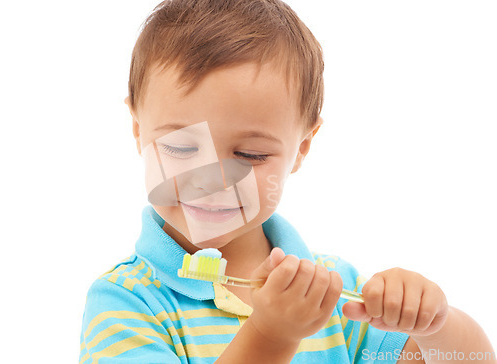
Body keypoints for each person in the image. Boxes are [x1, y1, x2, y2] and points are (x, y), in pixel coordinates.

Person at [79, 0, 495, 363]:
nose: (212, 181)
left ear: (301, 149)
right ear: (138, 131)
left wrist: (436, 325)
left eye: (251, 155)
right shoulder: (125, 302)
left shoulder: (335, 290)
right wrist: (271, 335)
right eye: (182, 149)